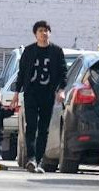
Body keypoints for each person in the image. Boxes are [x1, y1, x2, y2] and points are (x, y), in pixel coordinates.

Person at [10, 20, 67, 173]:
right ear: (35, 34)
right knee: (31, 126)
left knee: (44, 129)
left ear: (50, 33)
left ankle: (39, 160)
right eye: (40, 30)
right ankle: (31, 159)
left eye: (46, 30)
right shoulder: (28, 51)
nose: (44, 33)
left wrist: (61, 90)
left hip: (48, 94)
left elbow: (63, 73)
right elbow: (21, 74)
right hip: (31, 94)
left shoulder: (56, 51)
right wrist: (16, 93)